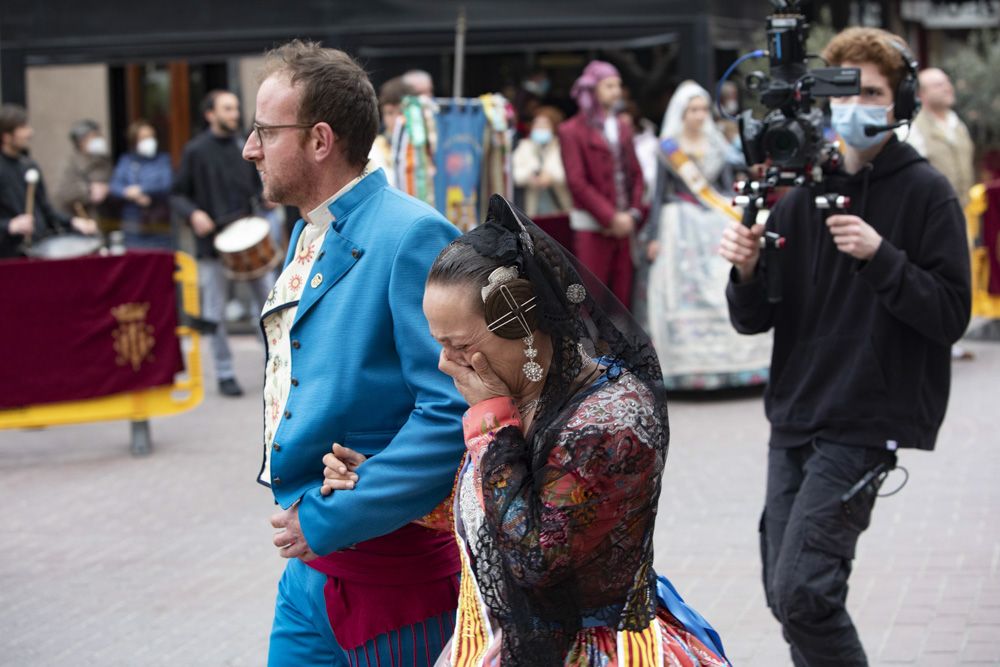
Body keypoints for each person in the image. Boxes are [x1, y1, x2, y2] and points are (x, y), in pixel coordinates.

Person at [322, 195, 730, 666]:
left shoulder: (610, 419)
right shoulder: (520, 396)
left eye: (459, 345)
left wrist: (491, 426)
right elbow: (492, 510)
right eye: (440, 343)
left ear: (525, 328)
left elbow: (537, 559)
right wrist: (371, 477)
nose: (443, 362)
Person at [719, 28, 971, 666]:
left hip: (867, 414)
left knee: (804, 593)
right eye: (844, 92)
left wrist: (881, 256)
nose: (857, 106)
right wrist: (746, 271)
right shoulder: (800, 195)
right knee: (789, 596)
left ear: (902, 101)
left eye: (875, 93)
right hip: (795, 414)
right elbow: (754, 322)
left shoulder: (925, 192)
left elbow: (950, 314)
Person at [241, 40, 467, 667]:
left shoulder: (412, 232)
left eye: (264, 131)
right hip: (310, 574)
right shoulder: (307, 228)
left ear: (319, 140)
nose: (249, 148)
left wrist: (340, 514)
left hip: (396, 581)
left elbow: (451, 408)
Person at [635, 81, 769, 390]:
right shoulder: (669, 146)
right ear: (682, 113)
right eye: (693, 109)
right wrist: (653, 235)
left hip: (712, 219)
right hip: (679, 222)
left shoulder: (716, 143)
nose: (698, 115)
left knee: (725, 278)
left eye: (703, 109)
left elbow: (723, 188)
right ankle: (681, 366)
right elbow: (657, 196)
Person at [171, 89, 270, 397]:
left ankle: (276, 364)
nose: (234, 114)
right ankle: (225, 373)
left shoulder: (245, 144)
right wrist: (195, 214)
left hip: (246, 235)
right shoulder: (195, 151)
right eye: (227, 109)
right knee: (215, 312)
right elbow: (177, 194)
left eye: (235, 108)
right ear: (210, 114)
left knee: (269, 304)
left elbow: (258, 185)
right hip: (212, 244)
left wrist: (269, 196)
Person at [559, 60, 645, 309]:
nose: (616, 91)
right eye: (609, 85)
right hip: (592, 226)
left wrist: (632, 214)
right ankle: (592, 348)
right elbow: (576, 182)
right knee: (591, 297)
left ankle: (625, 348)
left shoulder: (622, 126)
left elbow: (637, 175)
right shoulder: (570, 130)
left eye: (618, 85)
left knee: (622, 298)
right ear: (592, 89)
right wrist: (610, 217)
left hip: (625, 225)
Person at [0, 104, 98, 259]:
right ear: (6, 136)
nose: (29, 133)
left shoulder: (29, 165)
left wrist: (73, 222)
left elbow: (46, 210)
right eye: (23, 128)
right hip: (7, 256)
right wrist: (9, 226)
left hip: (35, 249)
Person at [907, 68, 975, 209]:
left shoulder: (958, 123)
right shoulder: (913, 129)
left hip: (965, 211)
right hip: (934, 212)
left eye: (947, 83)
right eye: (938, 85)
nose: (947, 88)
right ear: (921, 94)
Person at [109, 120, 174, 249]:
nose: (149, 141)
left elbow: (168, 183)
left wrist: (142, 189)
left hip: (158, 221)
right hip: (133, 223)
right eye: (144, 138)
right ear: (135, 141)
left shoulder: (163, 159)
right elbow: (114, 186)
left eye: (151, 136)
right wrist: (129, 193)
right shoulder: (126, 160)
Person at [511, 106, 571, 217]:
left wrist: (551, 176)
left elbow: (571, 174)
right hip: (532, 210)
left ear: (553, 127)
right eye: (537, 124)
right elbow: (514, 174)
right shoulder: (524, 146)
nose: (539, 128)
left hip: (559, 208)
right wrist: (531, 176)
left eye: (544, 125)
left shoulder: (563, 146)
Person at [53, 118, 112, 220]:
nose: (98, 140)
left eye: (98, 136)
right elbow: (65, 192)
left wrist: (108, 188)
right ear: (81, 141)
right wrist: (89, 190)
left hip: (103, 218)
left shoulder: (103, 161)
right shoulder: (72, 163)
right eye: (93, 136)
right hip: (80, 219)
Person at [368, 76, 407, 187]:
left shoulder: (424, 147)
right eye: (389, 113)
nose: (396, 120)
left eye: (401, 112)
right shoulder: (375, 148)